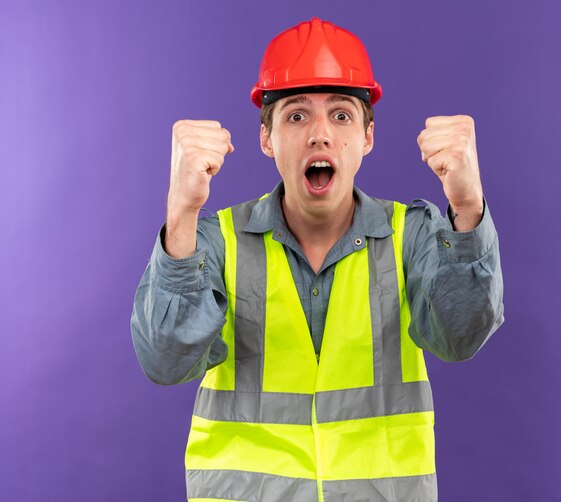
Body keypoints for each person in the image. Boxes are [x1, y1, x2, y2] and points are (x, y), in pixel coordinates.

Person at [131, 17, 504, 502]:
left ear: (368, 137)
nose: (320, 135)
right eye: (297, 115)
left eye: (342, 115)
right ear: (267, 139)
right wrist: (181, 213)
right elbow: (163, 361)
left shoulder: (410, 234)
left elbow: (461, 337)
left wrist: (468, 209)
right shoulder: (213, 241)